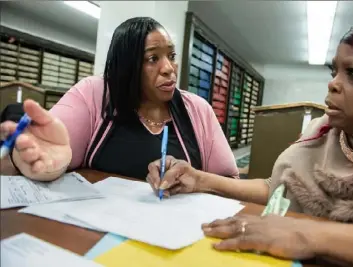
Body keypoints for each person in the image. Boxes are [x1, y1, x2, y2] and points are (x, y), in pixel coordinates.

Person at [146, 9, 353, 229]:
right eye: (334, 72)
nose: (333, 85)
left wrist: (308, 238)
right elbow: (276, 187)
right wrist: (200, 179)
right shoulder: (320, 134)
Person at [0, 17, 238, 183]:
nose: (169, 68)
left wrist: (199, 181)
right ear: (126, 65)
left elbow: (229, 181)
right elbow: (51, 148)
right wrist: (36, 161)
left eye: (171, 56)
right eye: (153, 58)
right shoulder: (93, 93)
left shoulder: (197, 110)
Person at [200, 213, 353, 267]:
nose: (332, 89)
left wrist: (311, 235)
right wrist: (204, 180)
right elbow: (275, 182)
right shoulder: (319, 132)